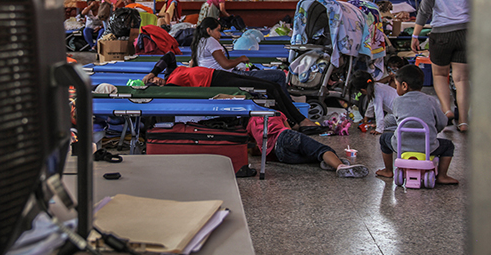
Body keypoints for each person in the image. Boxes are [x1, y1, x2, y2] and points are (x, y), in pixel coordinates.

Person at [142, 52, 320, 132]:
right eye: (154, 83)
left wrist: (152, 72)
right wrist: (157, 87)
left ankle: (296, 121)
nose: (156, 81)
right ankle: (300, 120)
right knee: (270, 88)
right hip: (216, 82)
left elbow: (169, 56)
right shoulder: (171, 87)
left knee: (271, 85)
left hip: (218, 74)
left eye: (154, 80)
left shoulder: (170, 72)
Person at [411, 0, 470, 132]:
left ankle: (446, 111)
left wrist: (415, 35)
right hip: (466, 34)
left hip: (441, 35)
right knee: (461, 79)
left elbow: (424, 12)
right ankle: (464, 121)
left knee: (439, 75)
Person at [375, 65, 458, 184]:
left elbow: (398, 121)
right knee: (449, 145)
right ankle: (442, 175)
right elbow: (442, 122)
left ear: (404, 85)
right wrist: (432, 131)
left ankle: (388, 170)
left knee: (384, 139)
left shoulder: (397, 102)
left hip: (401, 147)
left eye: (396, 85)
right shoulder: (430, 100)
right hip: (428, 148)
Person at [246, 114, 369, 178]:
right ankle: (339, 166)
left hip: (279, 155)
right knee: (322, 150)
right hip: (285, 136)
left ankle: (329, 163)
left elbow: (254, 148)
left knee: (313, 157)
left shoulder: (249, 125)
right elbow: (288, 130)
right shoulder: (276, 113)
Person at [191, 17, 288, 94]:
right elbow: (226, 65)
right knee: (279, 75)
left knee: (270, 80)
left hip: (216, 79)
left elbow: (192, 63)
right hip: (229, 78)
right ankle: (288, 105)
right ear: (209, 31)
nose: (220, 35)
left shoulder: (199, 42)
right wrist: (241, 59)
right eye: (217, 30)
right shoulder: (210, 41)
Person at [349, 70, 397, 135]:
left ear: (362, 90)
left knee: (391, 128)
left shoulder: (377, 92)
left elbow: (378, 111)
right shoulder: (376, 86)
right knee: (386, 123)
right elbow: (371, 103)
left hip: (399, 113)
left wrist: (379, 130)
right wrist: (367, 117)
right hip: (396, 112)